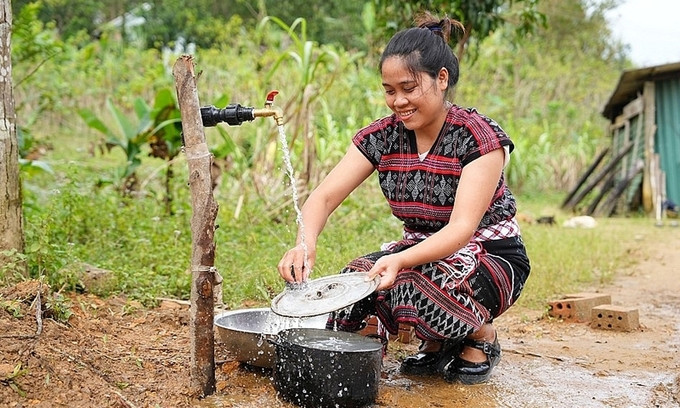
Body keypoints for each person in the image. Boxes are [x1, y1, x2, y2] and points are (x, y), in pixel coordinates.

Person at [277, 12, 531, 385]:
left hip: (489, 257)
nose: (398, 101)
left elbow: (461, 230)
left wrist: (398, 260)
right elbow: (324, 196)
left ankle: (480, 335)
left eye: (409, 88)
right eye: (389, 90)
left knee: (413, 285)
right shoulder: (382, 137)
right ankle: (374, 356)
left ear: (441, 79)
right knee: (353, 282)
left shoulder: (478, 137)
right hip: (421, 252)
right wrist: (304, 245)